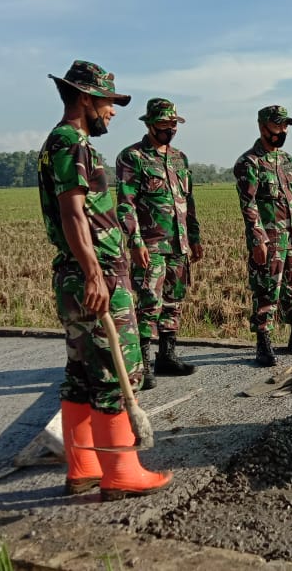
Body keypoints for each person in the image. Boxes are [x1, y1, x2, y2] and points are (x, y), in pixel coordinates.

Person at [39, 60, 171, 500]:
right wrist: (96, 272)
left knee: (80, 373)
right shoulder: (72, 143)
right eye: (108, 102)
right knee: (117, 373)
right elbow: (73, 211)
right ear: (84, 98)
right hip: (95, 277)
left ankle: (83, 469)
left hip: (74, 276)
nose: (113, 111)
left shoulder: (58, 143)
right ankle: (122, 474)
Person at [116, 98, 203, 389]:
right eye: (165, 124)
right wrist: (135, 241)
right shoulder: (133, 157)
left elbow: (188, 202)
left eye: (174, 124)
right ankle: (143, 363)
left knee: (173, 302)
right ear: (150, 124)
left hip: (179, 245)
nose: (170, 129)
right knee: (148, 304)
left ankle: (167, 355)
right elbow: (125, 204)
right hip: (150, 246)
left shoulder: (180, 159)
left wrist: (195, 237)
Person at [233, 105, 292, 367]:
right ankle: (263, 343)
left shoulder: (287, 161)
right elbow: (248, 205)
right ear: (263, 127)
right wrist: (258, 239)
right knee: (267, 290)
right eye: (278, 126)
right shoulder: (249, 163)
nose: (282, 131)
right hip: (269, 239)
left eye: (285, 126)